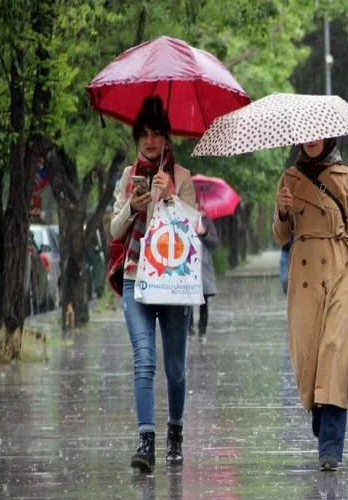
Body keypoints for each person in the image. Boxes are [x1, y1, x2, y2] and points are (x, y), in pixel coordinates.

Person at [273, 138, 348, 472]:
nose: (312, 141)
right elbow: (280, 234)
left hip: (340, 274)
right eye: (305, 136)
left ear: (329, 137)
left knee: (335, 357)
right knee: (310, 359)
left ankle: (330, 447)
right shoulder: (288, 178)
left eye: (318, 135)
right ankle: (322, 416)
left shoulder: (346, 178)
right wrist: (283, 210)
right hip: (303, 278)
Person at [110, 96, 196, 472]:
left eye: (156, 134)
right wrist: (133, 204)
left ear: (167, 139)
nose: (149, 141)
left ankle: (174, 430)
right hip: (136, 278)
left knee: (175, 367)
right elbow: (113, 229)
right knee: (144, 360)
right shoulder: (129, 177)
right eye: (143, 134)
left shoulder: (182, 177)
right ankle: (145, 441)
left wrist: (172, 196)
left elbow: (194, 229)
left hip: (174, 284)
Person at [189, 205, 218, 342]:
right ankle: (189, 329)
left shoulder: (206, 221)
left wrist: (204, 233)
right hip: (187, 263)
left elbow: (214, 242)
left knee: (203, 299)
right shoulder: (184, 219)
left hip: (202, 265)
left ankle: (202, 330)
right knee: (186, 297)